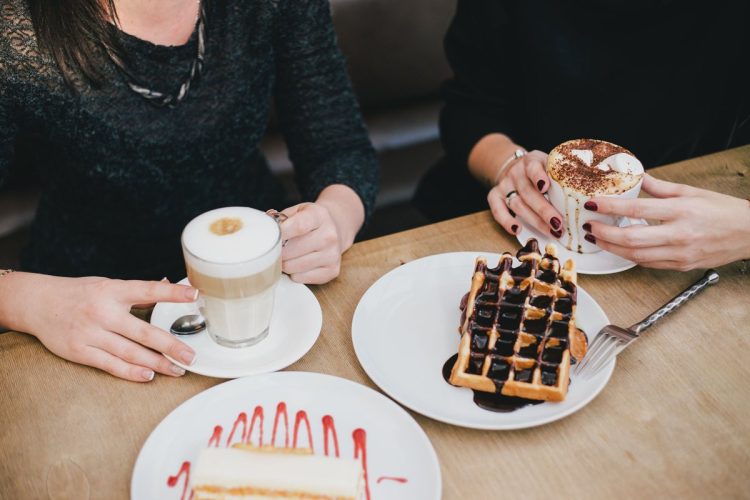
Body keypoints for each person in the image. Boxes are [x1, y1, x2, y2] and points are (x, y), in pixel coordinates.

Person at [0, 0, 378, 381]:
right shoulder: (12, 24)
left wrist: (334, 218)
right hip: (85, 317)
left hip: (266, 295)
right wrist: (30, 301)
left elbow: (340, 148)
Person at [414, 0, 750, 270]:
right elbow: (467, 112)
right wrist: (507, 165)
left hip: (700, 239)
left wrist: (743, 230)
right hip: (510, 228)